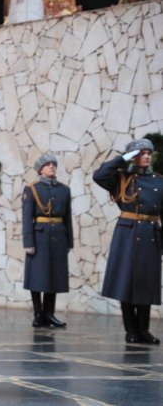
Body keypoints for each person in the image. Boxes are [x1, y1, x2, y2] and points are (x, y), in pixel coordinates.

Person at [93, 139, 162, 345]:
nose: (147, 156)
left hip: (150, 235)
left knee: (146, 284)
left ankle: (144, 329)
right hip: (127, 235)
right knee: (126, 283)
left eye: (149, 152)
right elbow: (99, 175)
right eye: (142, 153)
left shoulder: (159, 180)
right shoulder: (121, 179)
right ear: (133, 156)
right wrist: (122, 159)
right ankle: (131, 329)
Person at [22, 154, 72, 328]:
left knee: (54, 276)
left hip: (58, 236)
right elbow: (27, 217)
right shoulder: (32, 189)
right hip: (39, 236)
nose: (52, 167)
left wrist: (69, 241)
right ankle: (38, 314)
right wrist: (28, 241)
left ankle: (49, 313)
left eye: (53, 164)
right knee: (37, 276)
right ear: (40, 169)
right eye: (48, 164)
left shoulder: (64, 190)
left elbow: (67, 218)